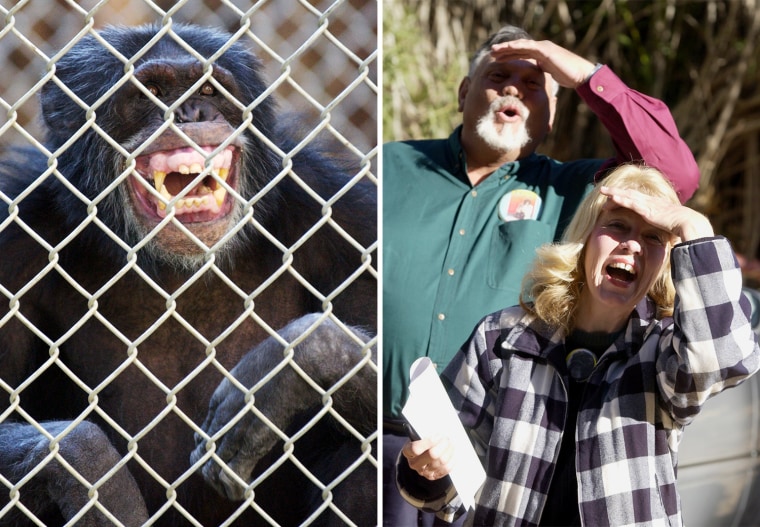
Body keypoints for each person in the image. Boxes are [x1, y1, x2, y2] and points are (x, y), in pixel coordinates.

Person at [382, 24, 700, 526]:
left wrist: (582, 74)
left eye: (535, 84)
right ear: (465, 92)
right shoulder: (389, 167)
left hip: (496, 460)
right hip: (379, 446)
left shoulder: (574, 191)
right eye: (498, 75)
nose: (514, 88)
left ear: (552, 114)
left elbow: (674, 176)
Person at [396, 164, 760, 526]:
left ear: (664, 261)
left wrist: (694, 228)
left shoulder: (663, 350)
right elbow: (448, 483)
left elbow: (722, 360)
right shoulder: (500, 339)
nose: (632, 244)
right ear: (585, 237)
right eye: (617, 225)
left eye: (654, 237)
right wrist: (430, 471)